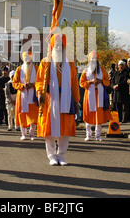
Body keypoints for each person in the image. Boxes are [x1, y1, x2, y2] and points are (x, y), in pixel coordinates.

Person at [36, 33, 80, 166]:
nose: (59, 47)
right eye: (56, 45)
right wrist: (39, 92)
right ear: (52, 46)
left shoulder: (70, 63)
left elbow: (74, 83)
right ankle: (51, 156)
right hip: (50, 100)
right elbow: (39, 81)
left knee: (64, 130)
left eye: (61, 45)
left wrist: (77, 100)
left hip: (66, 99)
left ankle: (61, 155)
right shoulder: (45, 62)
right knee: (49, 129)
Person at [80, 51, 112, 141]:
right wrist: (90, 82)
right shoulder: (85, 70)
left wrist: (101, 81)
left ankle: (98, 135)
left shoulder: (102, 70)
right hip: (89, 95)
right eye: (92, 58)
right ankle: (88, 135)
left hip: (99, 95)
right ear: (89, 60)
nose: (94, 60)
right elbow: (81, 83)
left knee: (99, 115)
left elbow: (108, 81)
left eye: (95, 58)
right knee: (89, 114)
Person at [12, 51, 39, 140]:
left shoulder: (37, 68)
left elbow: (41, 82)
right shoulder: (19, 69)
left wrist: (33, 85)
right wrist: (23, 85)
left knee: (34, 115)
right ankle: (23, 134)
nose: (27, 59)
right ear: (23, 59)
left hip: (33, 95)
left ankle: (32, 133)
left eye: (29, 57)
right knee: (22, 114)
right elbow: (14, 83)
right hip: (22, 95)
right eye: (26, 58)